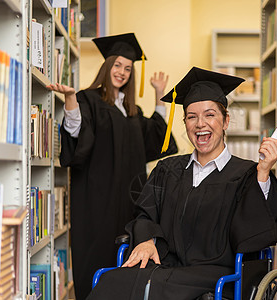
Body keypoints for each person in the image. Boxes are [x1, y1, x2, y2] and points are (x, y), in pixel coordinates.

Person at [87, 67, 277, 300]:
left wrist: (262, 173)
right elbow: (144, 215)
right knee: (110, 281)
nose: (200, 124)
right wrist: (148, 240)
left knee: (154, 289)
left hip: (214, 275)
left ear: (226, 121)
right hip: (164, 265)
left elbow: (254, 232)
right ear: (185, 123)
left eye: (210, 114)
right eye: (192, 116)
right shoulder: (167, 170)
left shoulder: (245, 175)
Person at [46, 33, 178, 300]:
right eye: (117, 65)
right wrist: (71, 101)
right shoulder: (90, 100)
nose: (122, 72)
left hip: (129, 202)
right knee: (96, 255)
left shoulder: (132, 112)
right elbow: (77, 135)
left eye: (128, 68)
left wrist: (159, 94)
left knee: (127, 257)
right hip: (97, 202)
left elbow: (154, 139)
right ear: (107, 66)